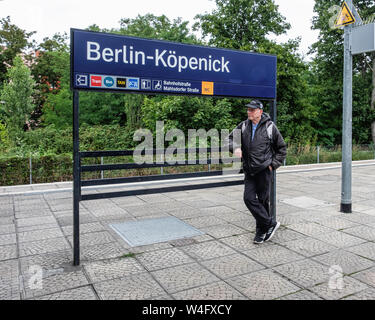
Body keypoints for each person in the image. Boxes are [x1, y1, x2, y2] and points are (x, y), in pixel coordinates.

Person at [225, 100, 287, 244]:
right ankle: (270, 223)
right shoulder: (244, 125)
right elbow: (228, 139)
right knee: (248, 198)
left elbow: (282, 149)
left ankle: (261, 231)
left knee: (263, 201)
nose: (249, 112)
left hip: (264, 170)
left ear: (260, 111)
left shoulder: (270, 127)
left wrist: (272, 165)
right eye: (248, 110)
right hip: (249, 170)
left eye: (252, 110)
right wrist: (235, 147)